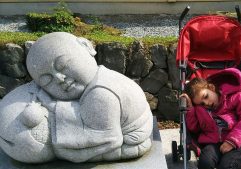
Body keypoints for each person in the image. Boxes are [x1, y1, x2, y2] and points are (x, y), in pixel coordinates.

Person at [0, 32, 152, 163]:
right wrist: (52, 105)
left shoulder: (101, 93)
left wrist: (56, 136)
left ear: (86, 47)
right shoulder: (99, 78)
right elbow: (86, 113)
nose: (59, 78)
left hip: (128, 143)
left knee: (64, 149)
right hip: (120, 134)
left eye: (62, 64)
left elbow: (107, 137)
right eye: (47, 80)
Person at [180, 68, 241, 169]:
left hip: (238, 141)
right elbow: (194, 128)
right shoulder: (200, 110)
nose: (206, 103)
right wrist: (190, 109)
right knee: (205, 162)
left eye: (206, 96)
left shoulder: (235, 98)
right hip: (214, 142)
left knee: (227, 165)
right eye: (202, 103)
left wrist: (232, 141)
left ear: (211, 88)